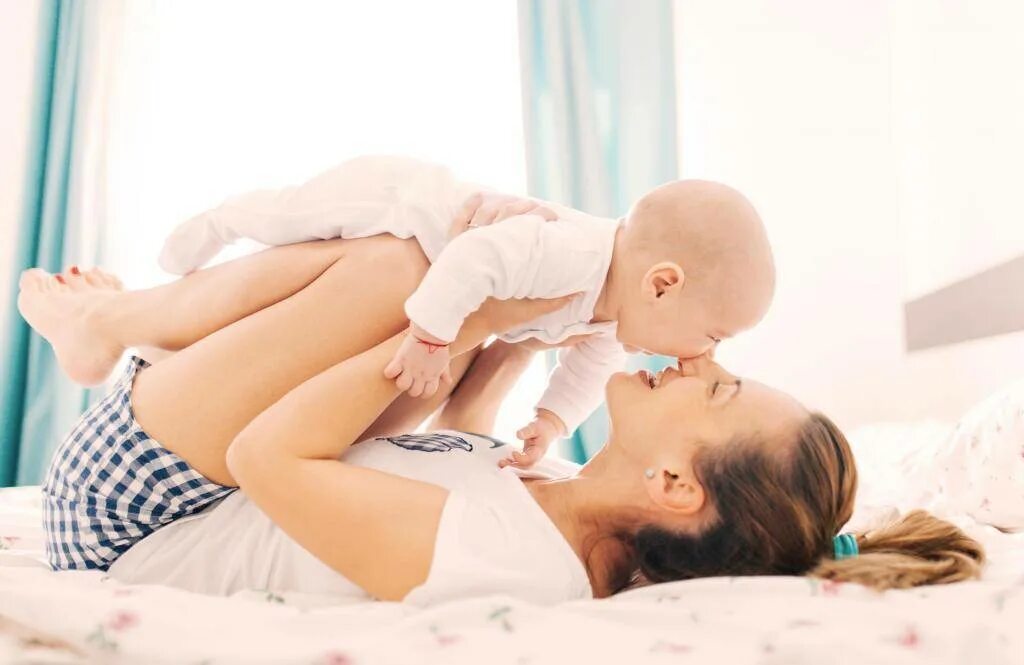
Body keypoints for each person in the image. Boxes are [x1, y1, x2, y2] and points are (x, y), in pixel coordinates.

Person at [18, 236, 983, 605]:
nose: (703, 361)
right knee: (429, 287)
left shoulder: (511, 562)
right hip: (200, 483)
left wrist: (470, 316)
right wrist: (528, 328)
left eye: (721, 388)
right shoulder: (557, 504)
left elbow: (265, 455)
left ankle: (106, 328)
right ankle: (125, 326)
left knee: (404, 276)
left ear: (677, 486)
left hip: (129, 520)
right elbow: (439, 439)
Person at [156, 155, 776, 465]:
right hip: (402, 205)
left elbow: (588, 372)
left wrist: (552, 423)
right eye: (713, 334)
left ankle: (177, 345)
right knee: (291, 219)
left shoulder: (614, 318)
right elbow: (473, 258)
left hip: (413, 264)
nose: (707, 353)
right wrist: (430, 339)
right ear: (663, 284)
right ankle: (220, 221)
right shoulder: (570, 253)